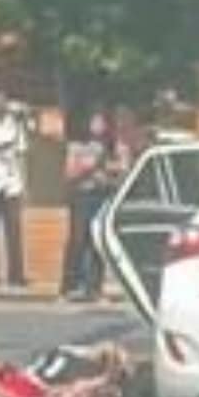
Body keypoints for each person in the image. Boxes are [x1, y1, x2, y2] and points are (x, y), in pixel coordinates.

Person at [59, 109, 130, 302]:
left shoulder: (114, 146)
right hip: (82, 196)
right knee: (78, 240)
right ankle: (69, 286)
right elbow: (70, 173)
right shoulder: (77, 146)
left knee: (97, 243)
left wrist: (109, 169)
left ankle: (94, 287)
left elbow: (124, 169)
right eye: (94, 121)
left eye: (101, 122)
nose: (98, 126)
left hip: (103, 196)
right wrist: (89, 167)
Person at [0, 88, 33, 287]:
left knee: (14, 229)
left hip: (11, 182)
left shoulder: (15, 123)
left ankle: (16, 275)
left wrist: (25, 185)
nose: (1, 104)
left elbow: (21, 154)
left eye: (4, 100)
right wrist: (3, 147)